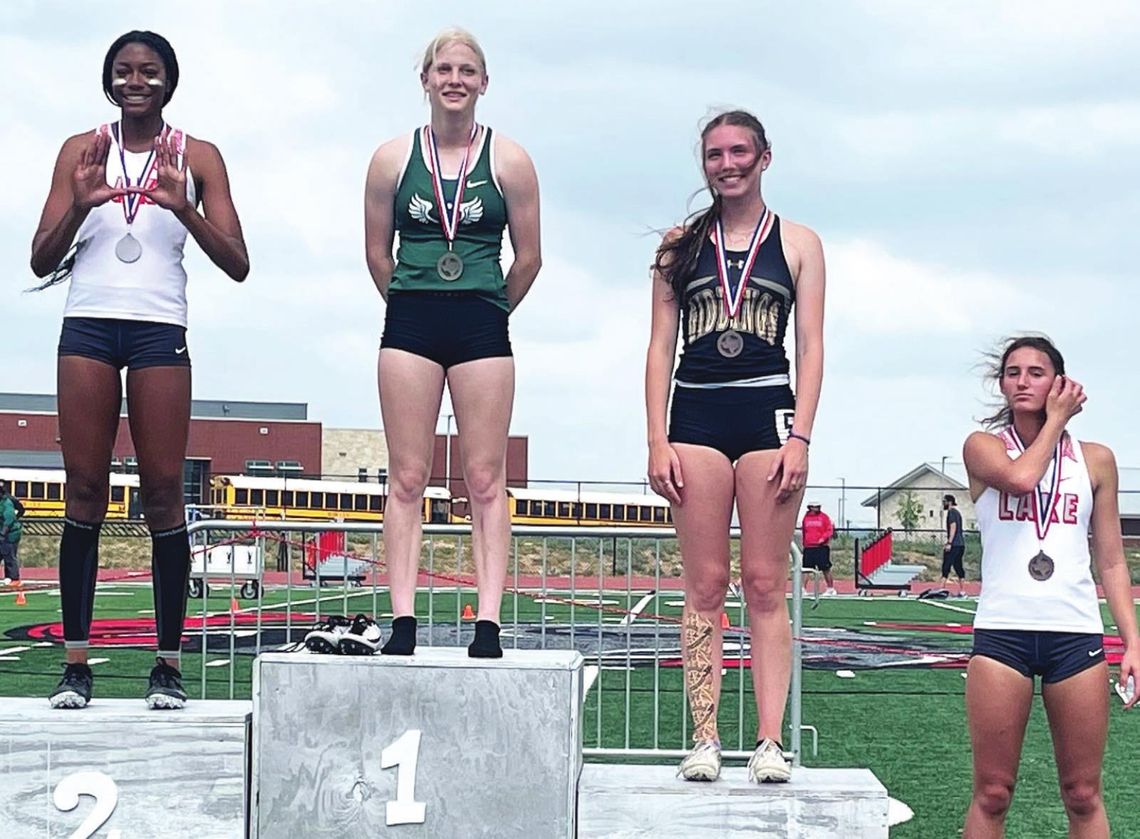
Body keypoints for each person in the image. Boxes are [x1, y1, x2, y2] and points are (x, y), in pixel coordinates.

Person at [29, 31, 249, 709]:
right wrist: (83, 200)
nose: (135, 81)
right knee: (85, 489)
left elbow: (238, 261)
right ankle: (75, 665)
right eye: (123, 71)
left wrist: (184, 206)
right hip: (89, 325)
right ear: (109, 81)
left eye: (148, 71)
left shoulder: (198, 156)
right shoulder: (80, 150)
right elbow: (41, 258)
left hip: (160, 329)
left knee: (160, 493)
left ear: (168, 82)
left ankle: (168, 666)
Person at [645, 110, 825, 783]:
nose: (726, 164)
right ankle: (704, 736)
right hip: (694, 412)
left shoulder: (801, 242)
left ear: (764, 157)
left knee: (764, 582)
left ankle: (771, 740)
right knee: (706, 583)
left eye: (738, 151)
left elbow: (811, 344)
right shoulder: (679, 244)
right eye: (714, 154)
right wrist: (655, 435)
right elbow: (660, 345)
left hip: (767, 413)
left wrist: (802, 433)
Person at [364, 28, 541, 658]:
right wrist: (416, 303)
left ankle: (487, 621)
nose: (455, 79)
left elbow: (529, 258)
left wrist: (487, 308)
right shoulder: (391, 159)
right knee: (407, 477)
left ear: (483, 82)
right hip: (410, 321)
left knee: (485, 480)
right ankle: (403, 619)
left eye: (467, 70)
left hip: (482, 323)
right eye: (444, 68)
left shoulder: (511, 161)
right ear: (426, 80)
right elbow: (376, 253)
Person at [962, 335, 1138, 838]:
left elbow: (1110, 560)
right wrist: (1057, 420)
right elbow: (1020, 479)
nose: (1022, 381)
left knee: (1083, 794)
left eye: (1036, 372)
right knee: (993, 792)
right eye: (1012, 372)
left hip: (1075, 635)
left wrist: (1133, 641)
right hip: (1002, 634)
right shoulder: (983, 446)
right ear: (1001, 384)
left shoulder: (1096, 459)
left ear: (1059, 382)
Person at [801, 502, 836, 596]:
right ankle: (803, 589)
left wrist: (823, 539)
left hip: (821, 547)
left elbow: (829, 530)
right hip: (809, 547)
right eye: (814, 506)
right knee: (806, 569)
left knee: (825, 568)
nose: (816, 508)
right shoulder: (806, 518)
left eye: (817, 506)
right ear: (810, 507)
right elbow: (804, 531)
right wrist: (804, 543)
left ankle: (830, 588)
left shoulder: (824, 517)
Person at [940, 493, 966, 597]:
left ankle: (941, 588)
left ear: (949, 502)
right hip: (961, 544)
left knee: (946, 565)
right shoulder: (958, 513)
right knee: (958, 566)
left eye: (945, 502)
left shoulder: (951, 513)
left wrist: (949, 542)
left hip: (954, 544)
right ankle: (963, 590)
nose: (944, 504)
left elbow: (953, 526)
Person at [0, 481, 25, 587]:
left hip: (10, 534)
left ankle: (14, 578)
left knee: (9, 554)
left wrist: (2, 534)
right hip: (3, 531)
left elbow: (9, 519)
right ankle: (9, 577)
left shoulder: (7, 503)